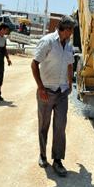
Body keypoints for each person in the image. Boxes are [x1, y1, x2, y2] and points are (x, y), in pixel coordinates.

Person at [31, 16, 76, 177]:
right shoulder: (47, 41)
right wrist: (40, 87)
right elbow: (34, 63)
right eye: (71, 30)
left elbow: (70, 64)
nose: (72, 33)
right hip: (47, 91)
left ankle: (57, 160)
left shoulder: (69, 46)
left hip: (62, 92)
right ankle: (43, 155)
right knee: (44, 125)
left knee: (60, 126)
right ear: (65, 29)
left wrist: (70, 83)